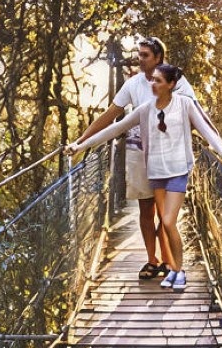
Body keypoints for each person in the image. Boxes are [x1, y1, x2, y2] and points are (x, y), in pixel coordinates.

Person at [66, 63, 222, 291]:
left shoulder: (184, 104)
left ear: (171, 85)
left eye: (158, 81)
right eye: (152, 80)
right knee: (166, 224)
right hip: (156, 173)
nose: (152, 84)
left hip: (177, 171)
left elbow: (204, 129)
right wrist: (80, 145)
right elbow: (115, 129)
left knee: (167, 221)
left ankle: (179, 271)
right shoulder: (145, 109)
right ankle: (174, 270)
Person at [73, 37, 206, 280]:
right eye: (139, 54)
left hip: (167, 156)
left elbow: (195, 113)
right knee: (146, 210)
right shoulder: (133, 84)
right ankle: (152, 261)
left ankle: (168, 260)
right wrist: (81, 141)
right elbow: (111, 116)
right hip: (138, 153)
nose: (139, 59)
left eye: (145, 55)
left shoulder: (175, 80)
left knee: (166, 215)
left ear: (158, 58)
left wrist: (216, 143)